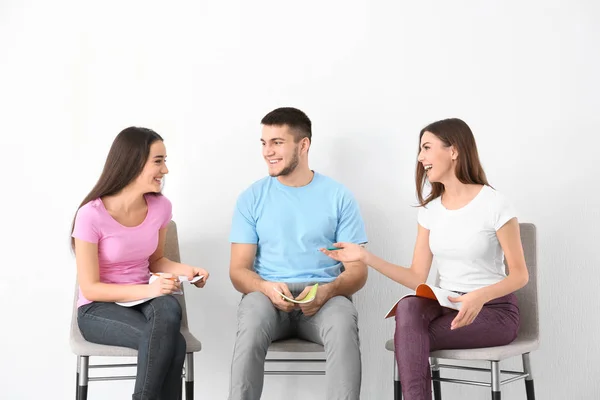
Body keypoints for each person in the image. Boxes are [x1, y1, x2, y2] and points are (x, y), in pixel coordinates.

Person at [322, 118, 529, 400]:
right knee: (408, 308)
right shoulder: (430, 211)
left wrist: (479, 297)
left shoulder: (494, 204)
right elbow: (416, 276)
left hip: (493, 312)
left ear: (453, 150)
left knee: (409, 338)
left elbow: (519, 275)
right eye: (420, 151)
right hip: (447, 305)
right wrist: (364, 256)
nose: (421, 158)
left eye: (427, 148)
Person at [228, 107, 368, 400]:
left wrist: (328, 291)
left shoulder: (339, 197)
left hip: (324, 297)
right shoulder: (251, 198)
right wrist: (265, 287)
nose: (268, 151)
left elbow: (357, 271)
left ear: (303, 145)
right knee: (251, 324)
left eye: (277, 142)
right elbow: (238, 271)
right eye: (264, 143)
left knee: (343, 325)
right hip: (267, 296)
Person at [71, 127, 210, 400]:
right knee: (174, 343)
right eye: (158, 161)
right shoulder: (90, 215)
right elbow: (91, 288)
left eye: (165, 161)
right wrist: (150, 290)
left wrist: (188, 271)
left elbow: (156, 260)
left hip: (143, 302)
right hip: (98, 309)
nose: (166, 170)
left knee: (169, 306)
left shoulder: (161, 207)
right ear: (133, 162)